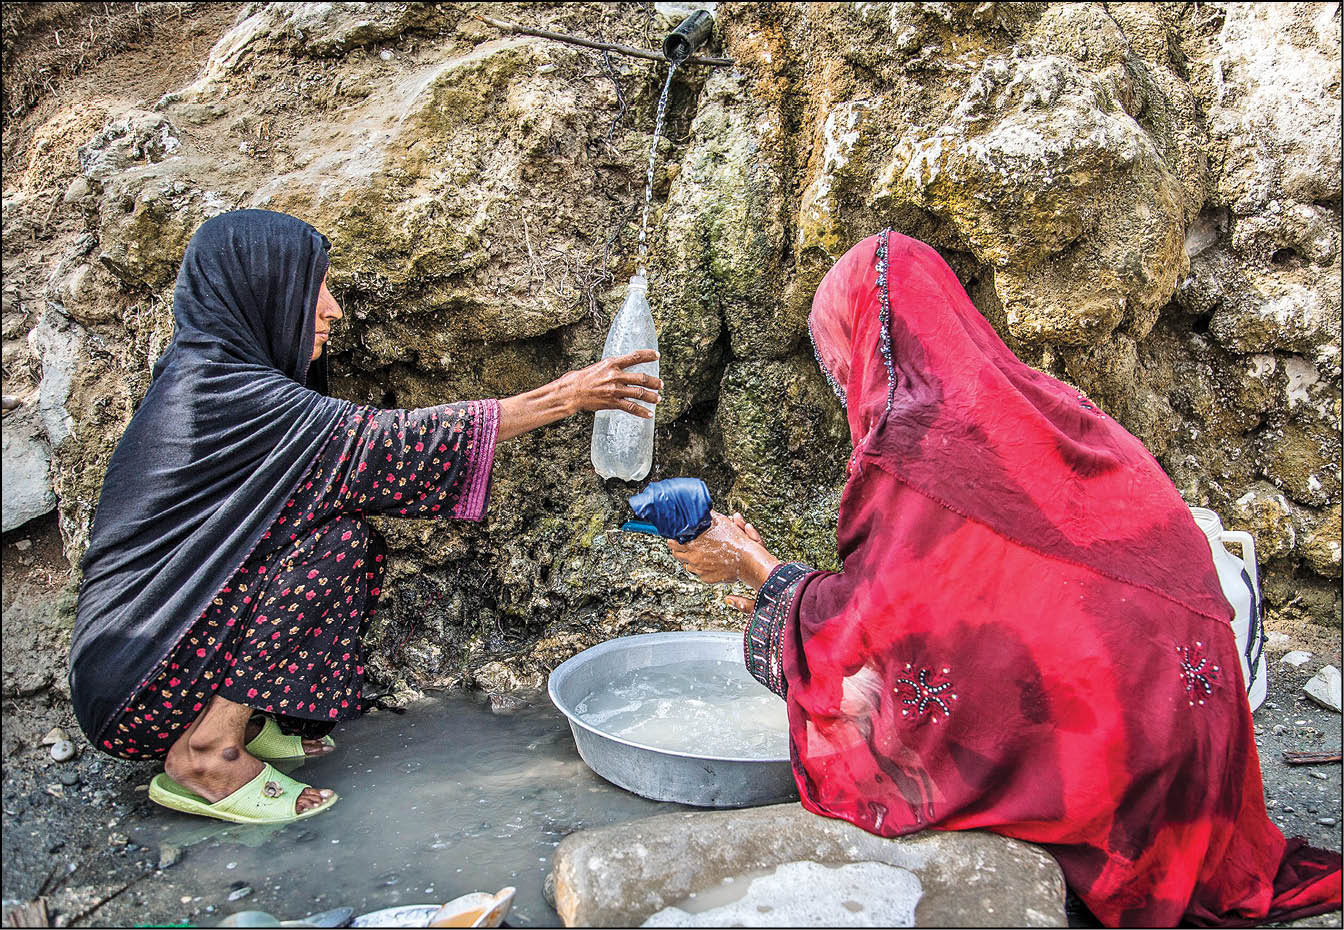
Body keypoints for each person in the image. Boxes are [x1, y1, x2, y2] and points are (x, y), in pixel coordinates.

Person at [668, 230, 1342, 926]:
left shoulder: (913, 449)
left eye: (840, 358)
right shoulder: (1052, 411)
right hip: (1201, 765)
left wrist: (757, 570)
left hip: (1126, 791)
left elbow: (883, 642)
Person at [69, 209, 662, 823]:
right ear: (259, 294)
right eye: (313, 289)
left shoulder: (210, 376)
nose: (332, 310)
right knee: (328, 554)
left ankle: (237, 724)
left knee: (341, 539)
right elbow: (390, 443)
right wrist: (565, 396)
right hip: (138, 686)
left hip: (156, 667)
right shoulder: (220, 393)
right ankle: (205, 754)